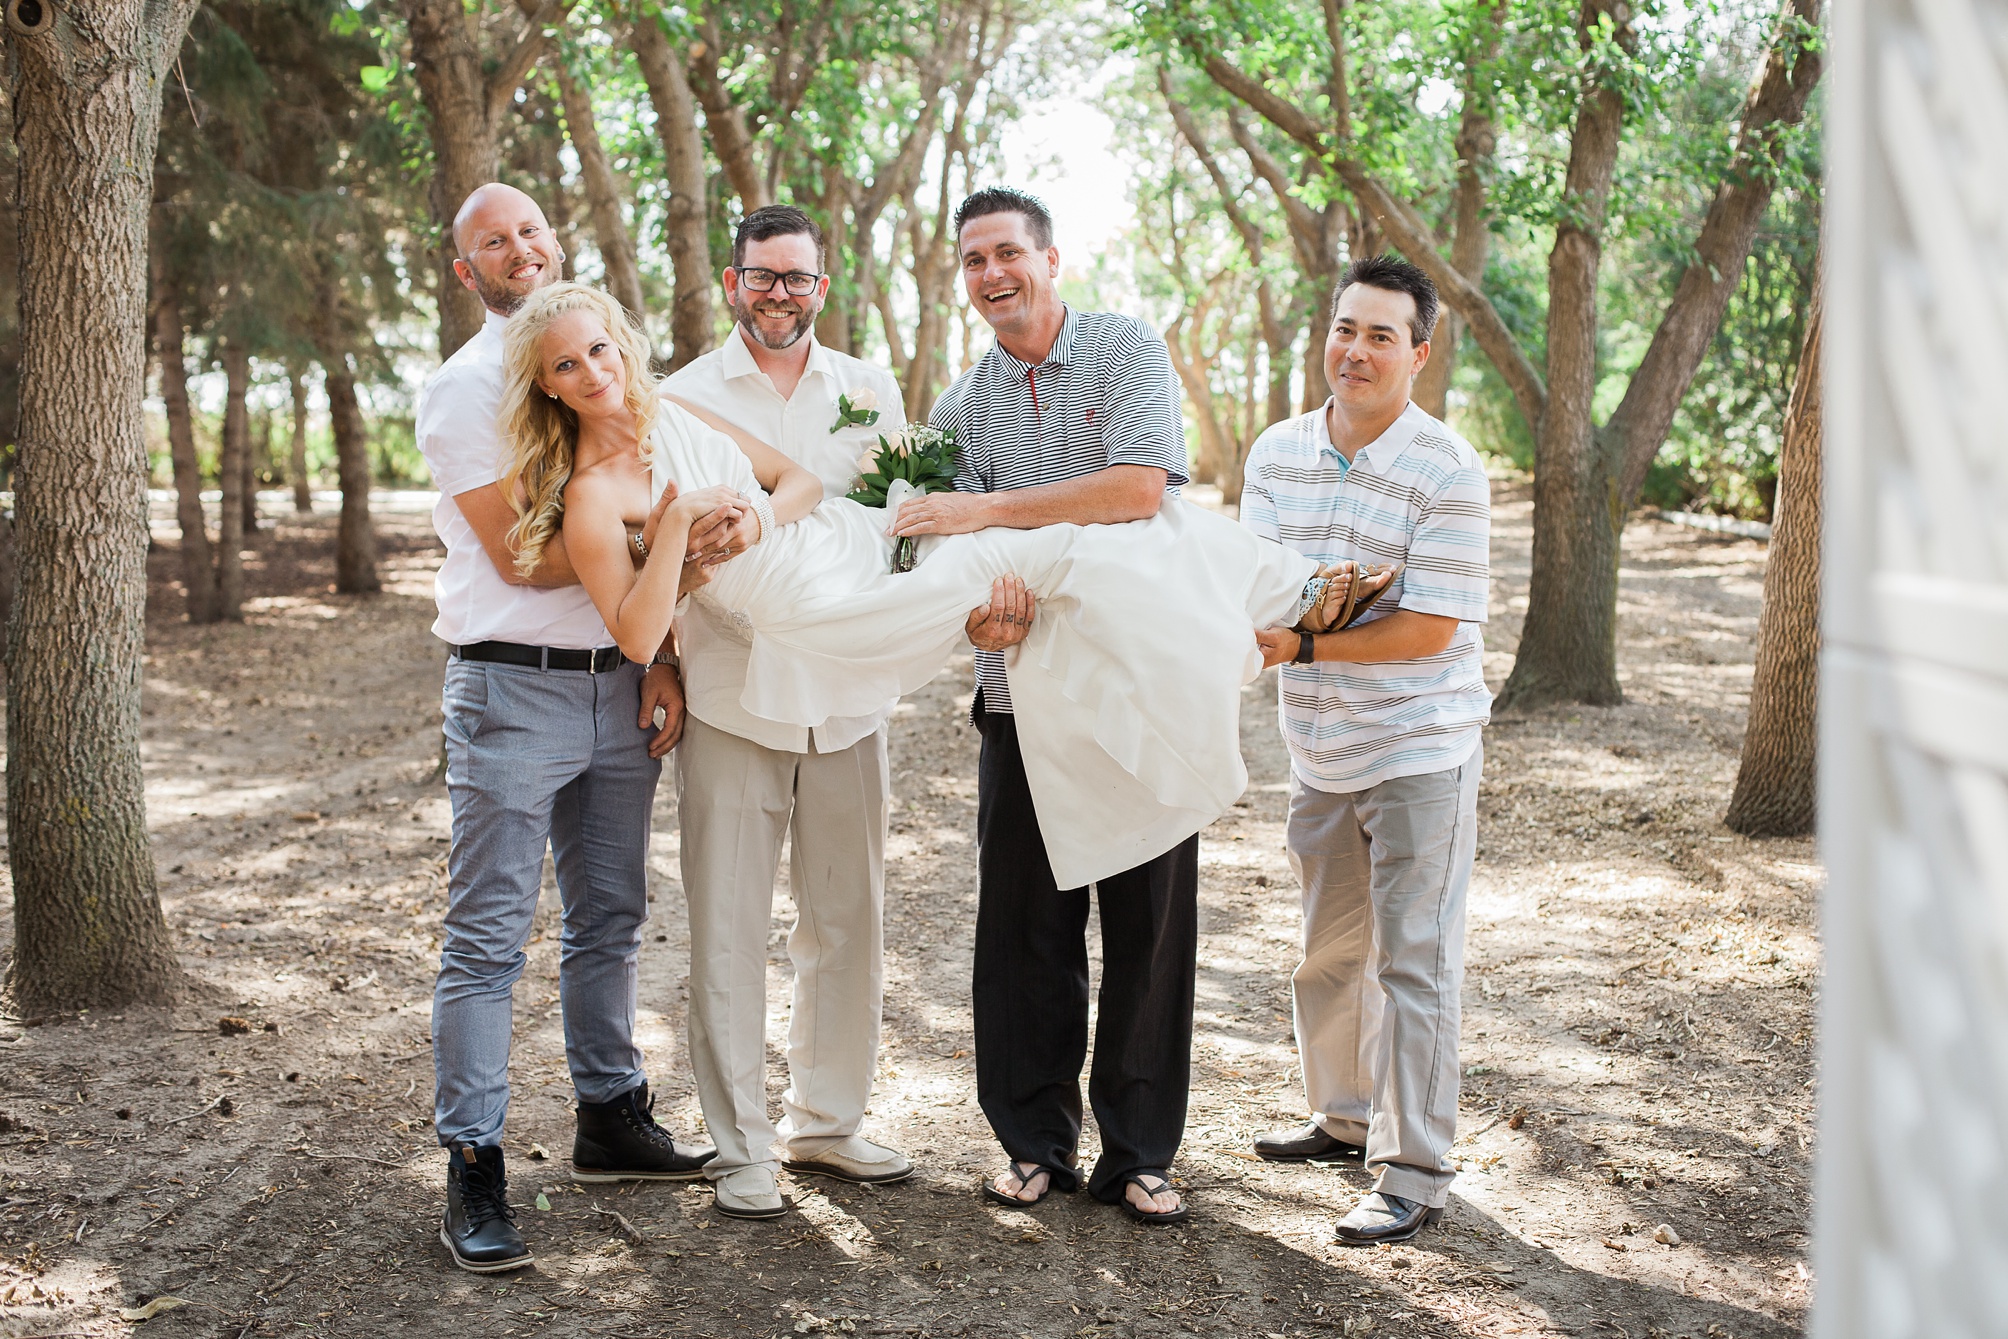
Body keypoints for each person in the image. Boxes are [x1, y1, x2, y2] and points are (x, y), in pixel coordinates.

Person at [416, 184, 725, 1274]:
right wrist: (672, 544)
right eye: (491, 241)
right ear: (467, 271)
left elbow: (633, 532)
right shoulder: (463, 393)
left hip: (617, 681)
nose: (518, 249)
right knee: (490, 938)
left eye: (531, 229)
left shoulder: (601, 365)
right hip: (512, 689)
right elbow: (523, 556)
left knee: (611, 916)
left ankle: (609, 1115)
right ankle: (473, 1161)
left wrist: (667, 656)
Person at [885, 186, 1202, 1224]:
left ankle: (1140, 1153)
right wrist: (982, 614)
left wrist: (984, 510)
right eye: (973, 260)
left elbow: (1136, 489)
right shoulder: (957, 410)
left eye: (1007, 253)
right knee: (1026, 928)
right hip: (1018, 696)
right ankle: (1033, 1145)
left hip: (1141, 684)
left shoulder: (1122, 348)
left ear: (1051, 258)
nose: (992, 275)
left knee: (1148, 924)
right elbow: (967, 571)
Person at [655, 206, 916, 1218]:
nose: (780, 295)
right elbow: (663, 547)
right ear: (732, 282)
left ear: (822, 286)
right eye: (762, 277)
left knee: (848, 918)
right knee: (726, 921)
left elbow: (898, 524)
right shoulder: (681, 395)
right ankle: (740, 1146)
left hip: (849, 695)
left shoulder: (868, 390)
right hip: (732, 689)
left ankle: (829, 1123)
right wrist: (664, 664)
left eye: (797, 279)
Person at [1242, 255, 1493, 1246]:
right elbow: (1261, 584)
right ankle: (1344, 1117)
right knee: (1329, 954)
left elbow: (1430, 627)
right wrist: (1294, 618)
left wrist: (1306, 636)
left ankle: (1416, 1169)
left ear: (1417, 355)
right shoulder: (1275, 452)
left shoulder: (1447, 469)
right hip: (1319, 745)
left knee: (1414, 963)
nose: (1355, 349)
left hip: (1419, 743)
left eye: (1381, 335)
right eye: (1345, 328)